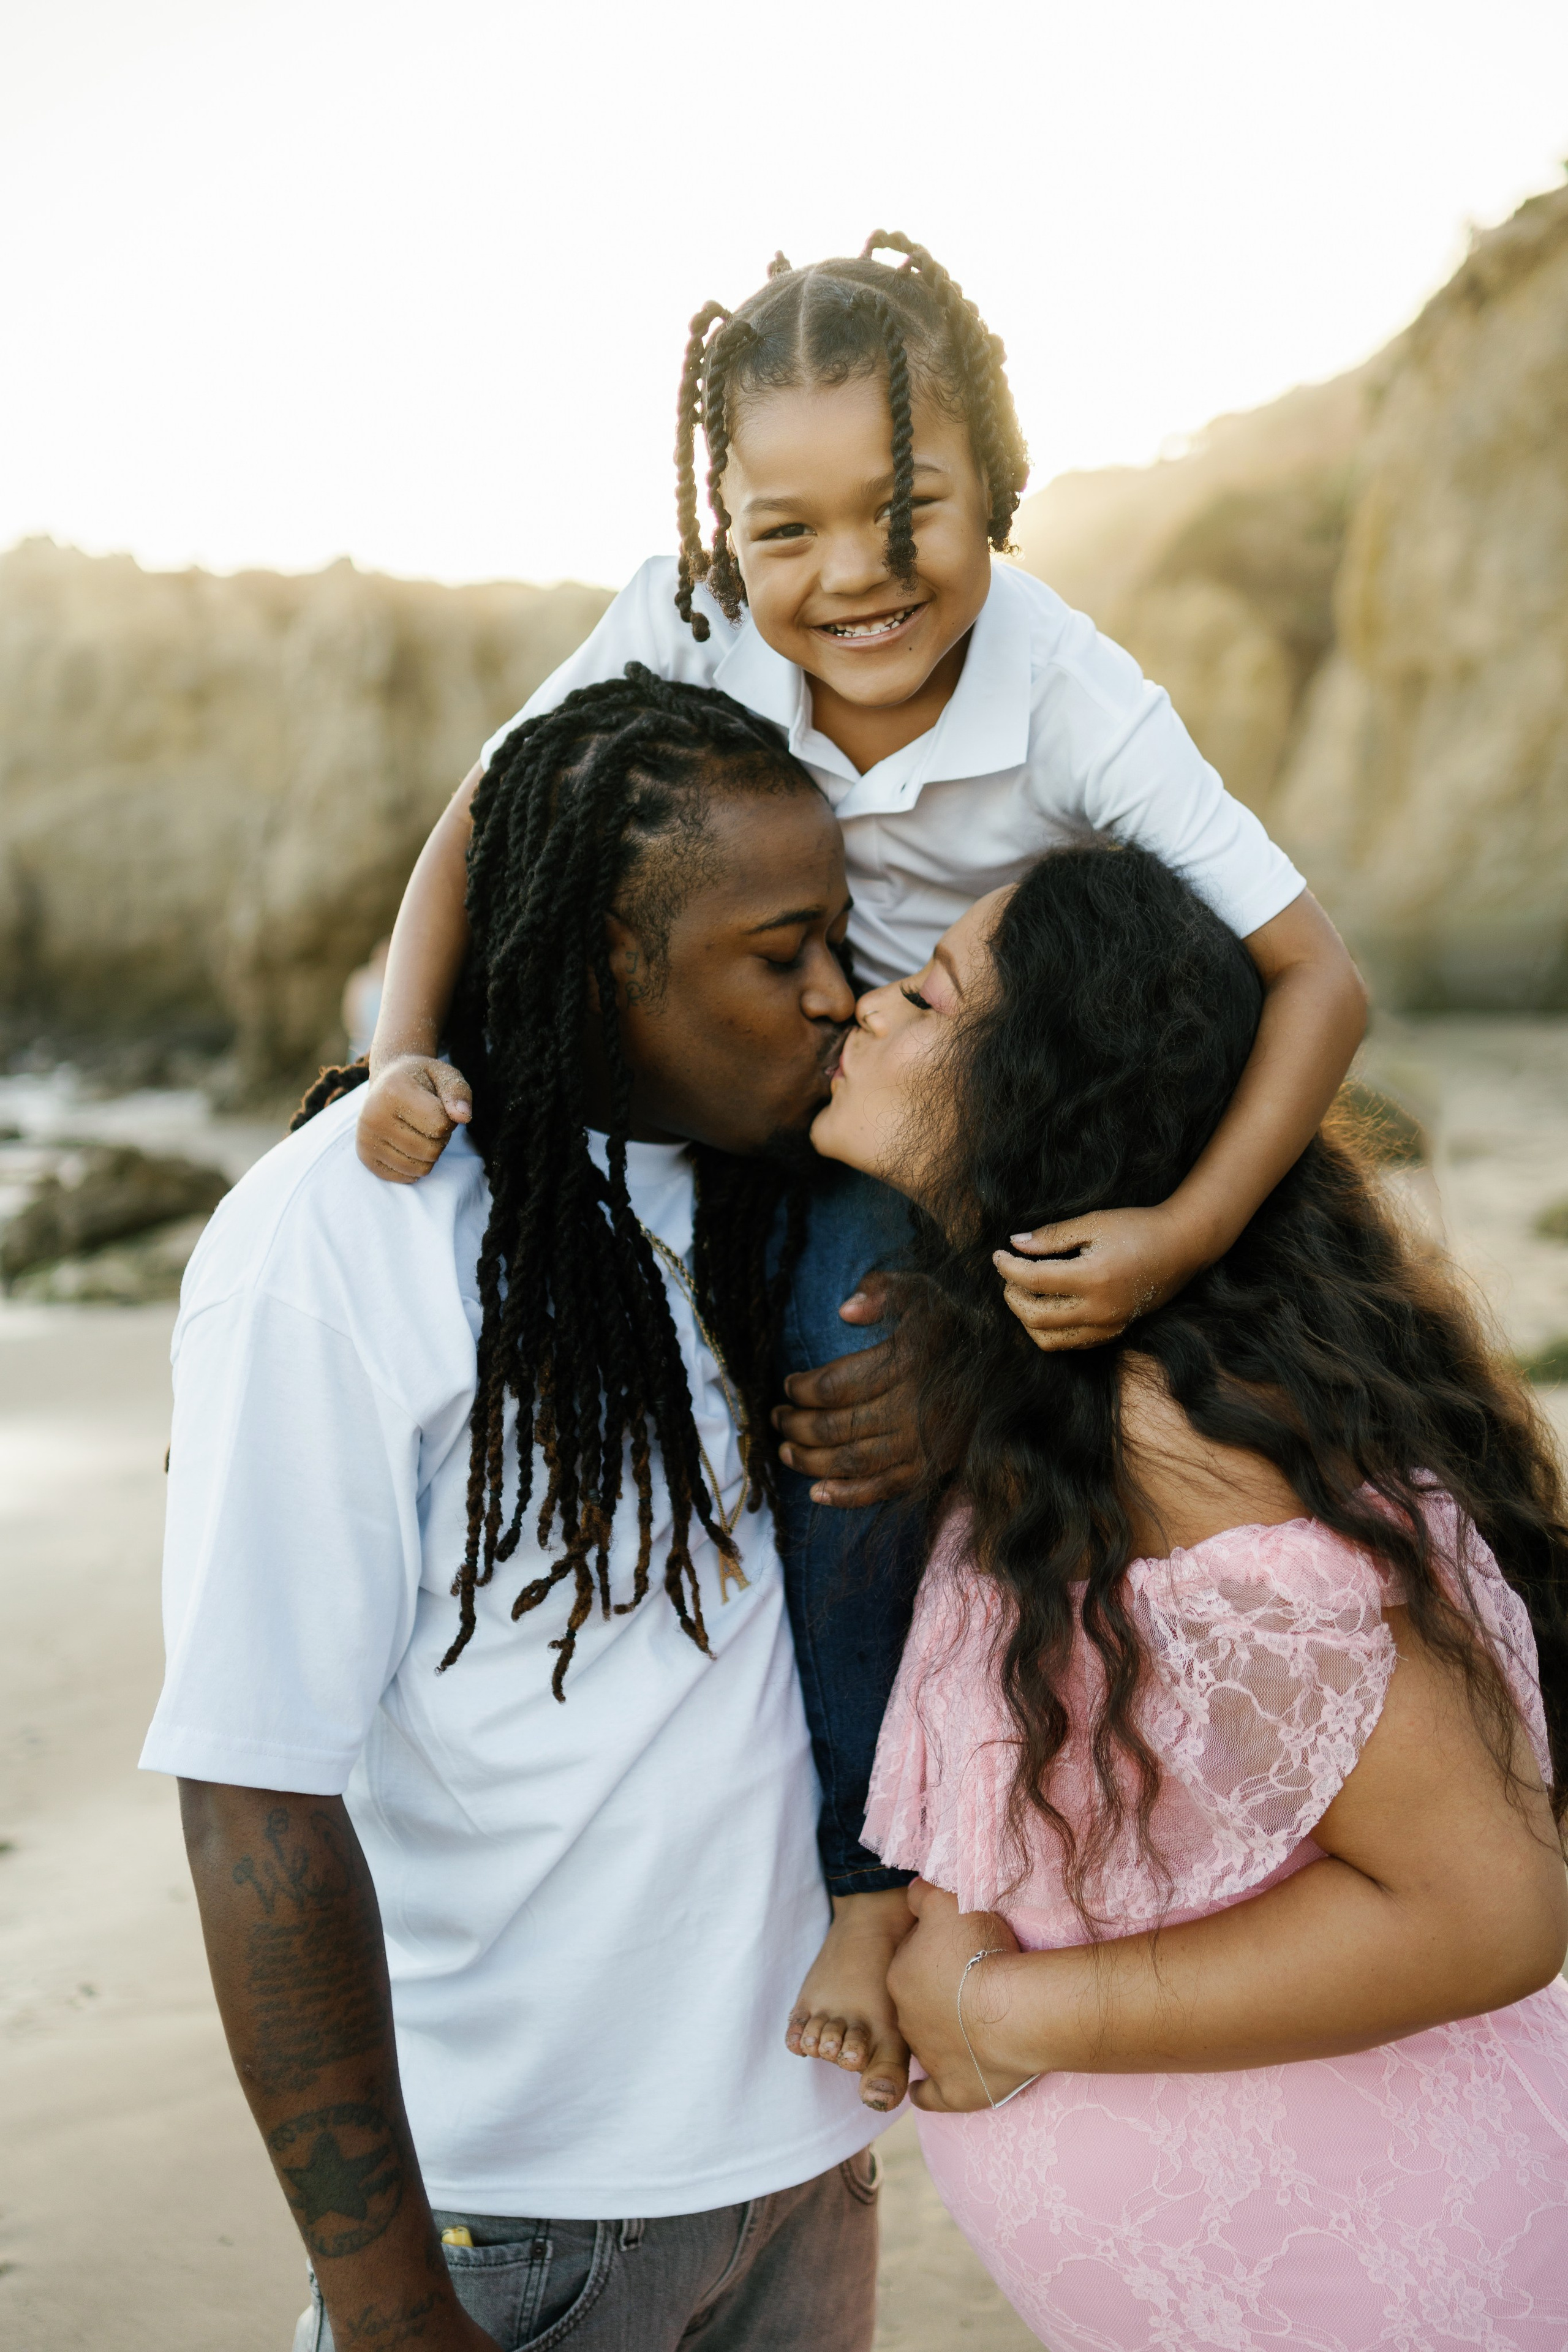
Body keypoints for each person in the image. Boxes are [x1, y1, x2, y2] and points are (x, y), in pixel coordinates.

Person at [347, 236, 1370, 2075]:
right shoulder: (686, 618)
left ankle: (869, 1871)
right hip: (748, 1074)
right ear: (723, 531)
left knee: (869, 1370)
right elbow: (493, 813)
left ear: (1000, 484)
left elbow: (1316, 978)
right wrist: (402, 1049)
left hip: (929, 1112)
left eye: (907, 508)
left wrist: (1178, 1230)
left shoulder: (1071, 689)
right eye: (788, 530)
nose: (853, 575)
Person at [140, 674, 899, 2352]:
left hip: (805, 2159)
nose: (839, 999)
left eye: (839, 942)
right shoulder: (345, 1237)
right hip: (516, 2223)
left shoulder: (795, 1210)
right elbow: (254, 1797)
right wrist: (385, 2292)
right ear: (603, 960)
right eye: (782, 957)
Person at [806, 840, 1568, 2350]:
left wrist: (1002, 2016)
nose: (868, 1009)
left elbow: (1487, 1912)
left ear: (1046, 1088)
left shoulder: (1172, 1431)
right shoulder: (1054, 1403)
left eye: (932, 994)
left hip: (1392, 2284)